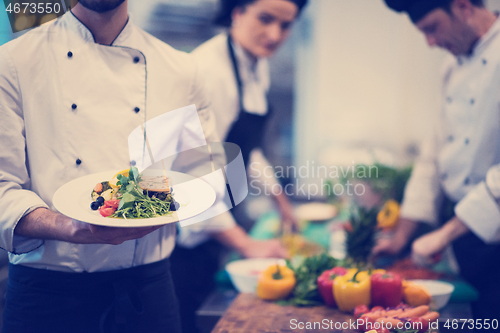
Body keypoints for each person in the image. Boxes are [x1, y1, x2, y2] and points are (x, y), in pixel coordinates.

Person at [0, 0, 227, 332]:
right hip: (46, 296)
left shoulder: (182, 70)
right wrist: (71, 228)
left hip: (148, 292)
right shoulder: (13, 62)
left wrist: (161, 209)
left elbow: (203, 177)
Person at [169, 1, 308, 332]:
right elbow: (189, 181)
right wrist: (248, 245)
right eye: (265, 19)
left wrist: (281, 202)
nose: (275, 34)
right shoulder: (209, 73)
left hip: (216, 226)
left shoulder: (256, 64)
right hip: (180, 235)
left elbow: (245, 150)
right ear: (237, 12)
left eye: (286, 25)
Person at [375, 0, 500, 320]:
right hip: (467, 238)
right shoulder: (452, 66)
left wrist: (445, 234)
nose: (429, 43)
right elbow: (435, 153)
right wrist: (403, 232)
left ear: (462, 7)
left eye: (432, 28)